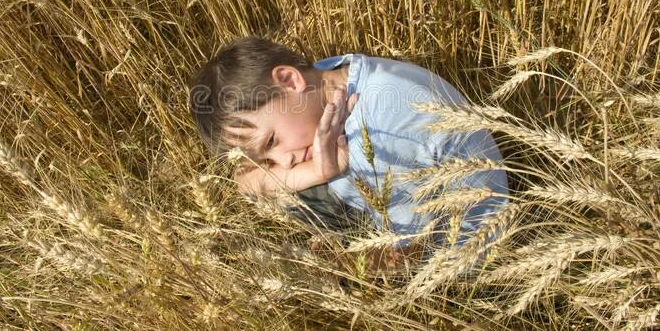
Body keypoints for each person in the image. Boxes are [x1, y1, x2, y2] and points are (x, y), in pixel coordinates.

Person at [189, 36, 508, 258]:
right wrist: (315, 171)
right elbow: (244, 180)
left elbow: (410, 252)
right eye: (266, 157)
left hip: (464, 256)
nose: (283, 163)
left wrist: (338, 270)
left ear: (288, 80)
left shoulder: (378, 128)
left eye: (272, 142)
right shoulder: (327, 77)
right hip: (399, 220)